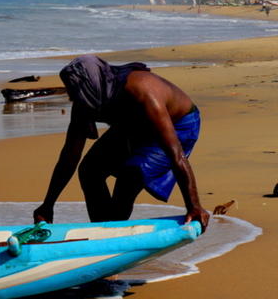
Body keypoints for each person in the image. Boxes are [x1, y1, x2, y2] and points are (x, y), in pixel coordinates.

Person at [33, 55, 210, 232]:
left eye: (76, 91)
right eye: (70, 91)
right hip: (132, 124)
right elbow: (69, 157)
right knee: (89, 170)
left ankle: (111, 231)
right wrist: (48, 204)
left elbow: (175, 154)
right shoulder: (84, 101)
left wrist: (193, 206)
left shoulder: (142, 91)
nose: (72, 98)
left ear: (93, 84)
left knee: (130, 177)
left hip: (178, 124)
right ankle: (102, 229)